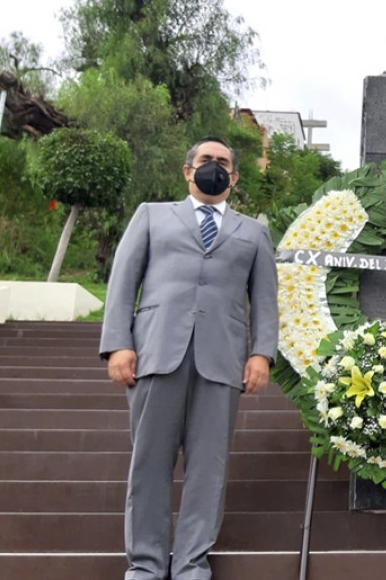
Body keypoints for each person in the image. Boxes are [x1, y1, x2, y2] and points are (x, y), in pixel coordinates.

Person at [99, 137, 279, 580]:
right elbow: (123, 282)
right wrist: (118, 343)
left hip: (221, 360)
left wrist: (262, 354)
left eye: (222, 163)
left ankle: (192, 563)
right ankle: (145, 564)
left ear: (233, 178)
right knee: (149, 463)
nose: (213, 167)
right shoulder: (151, 216)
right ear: (187, 170)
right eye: (205, 160)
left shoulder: (253, 232)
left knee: (208, 468)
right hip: (156, 353)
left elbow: (266, 300)